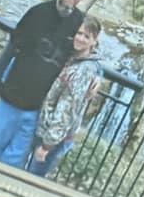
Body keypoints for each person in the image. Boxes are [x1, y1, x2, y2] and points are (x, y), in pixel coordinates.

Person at [0, 0, 87, 167]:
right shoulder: (38, 12)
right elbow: (13, 45)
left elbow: (87, 53)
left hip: (37, 110)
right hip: (10, 98)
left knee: (14, 161)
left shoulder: (79, 23)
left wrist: (95, 78)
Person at [30, 16, 104, 178]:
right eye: (79, 33)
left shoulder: (83, 69)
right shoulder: (76, 57)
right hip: (49, 131)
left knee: (31, 179)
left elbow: (66, 110)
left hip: (54, 138)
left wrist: (47, 146)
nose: (80, 38)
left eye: (86, 36)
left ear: (94, 41)